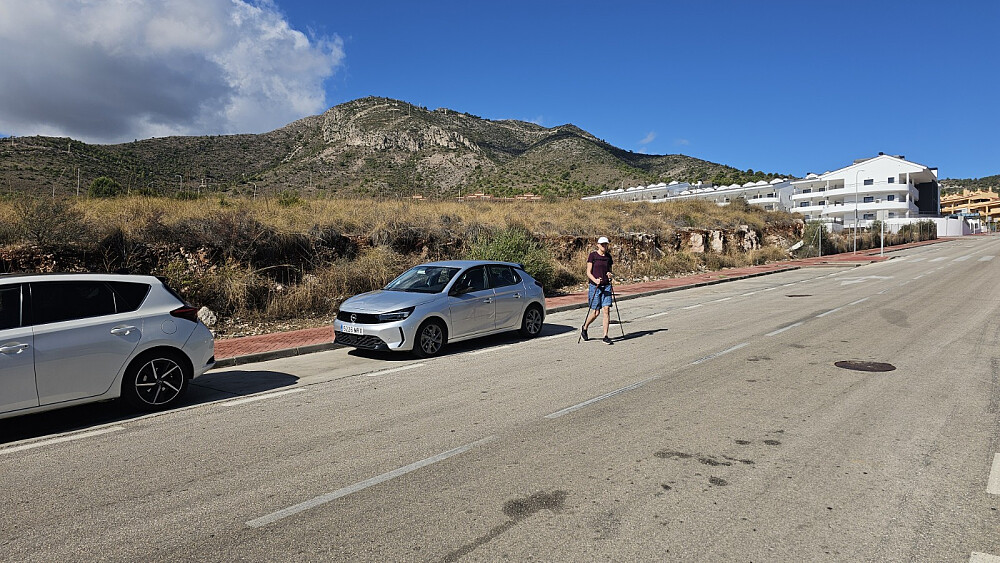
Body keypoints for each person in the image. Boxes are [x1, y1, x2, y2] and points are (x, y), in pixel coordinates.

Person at [581, 236, 615, 344]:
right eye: (602, 244)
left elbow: (610, 271)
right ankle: (585, 327)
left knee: (606, 309)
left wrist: (610, 275)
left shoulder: (608, 257)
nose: (604, 246)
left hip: (606, 286)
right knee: (596, 312)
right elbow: (588, 272)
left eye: (606, 244)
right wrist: (595, 280)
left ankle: (605, 335)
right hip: (595, 286)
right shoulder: (593, 256)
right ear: (598, 245)